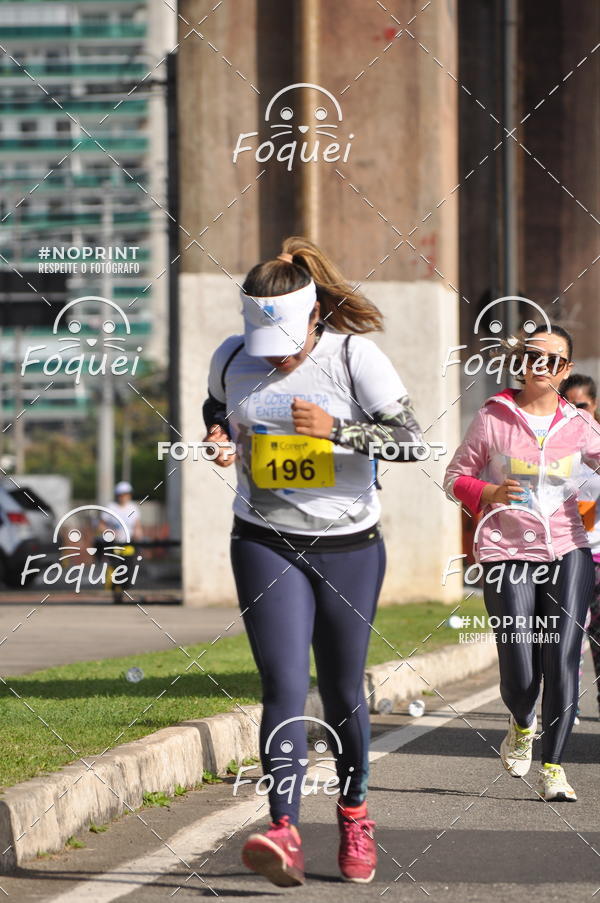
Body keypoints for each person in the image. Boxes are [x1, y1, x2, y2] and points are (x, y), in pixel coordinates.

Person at [202, 236, 425, 886]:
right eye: (269, 351)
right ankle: (284, 829)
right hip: (264, 538)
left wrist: (338, 431)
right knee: (280, 684)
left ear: (316, 314)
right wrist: (217, 439)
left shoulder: (357, 357)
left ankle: (354, 811)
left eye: (290, 346)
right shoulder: (232, 358)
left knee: (342, 691)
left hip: (349, 544)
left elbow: (413, 442)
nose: (279, 360)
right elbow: (216, 412)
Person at [444, 323, 600, 802]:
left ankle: (553, 767)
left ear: (566, 369)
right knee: (521, 670)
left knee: (564, 659)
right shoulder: (494, 417)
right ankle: (521, 720)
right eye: (534, 356)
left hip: (567, 549)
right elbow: (455, 476)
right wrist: (488, 491)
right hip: (507, 550)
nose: (542, 366)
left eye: (554, 360)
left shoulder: (579, 424)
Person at [560, 374, 600, 719]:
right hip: (565, 556)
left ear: (595, 405)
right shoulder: (550, 448)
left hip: (598, 556)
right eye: (568, 405)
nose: (575, 413)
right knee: (566, 637)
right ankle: (564, 702)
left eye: (582, 406)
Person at [99, 481, 142, 603]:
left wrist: (138, 532)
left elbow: (137, 525)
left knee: (128, 568)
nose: (123, 496)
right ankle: (116, 593)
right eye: (121, 494)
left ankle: (124, 588)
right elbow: (101, 526)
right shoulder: (111, 508)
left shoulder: (133, 508)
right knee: (116, 568)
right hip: (114, 544)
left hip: (128, 544)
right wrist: (110, 532)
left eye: (126, 494)